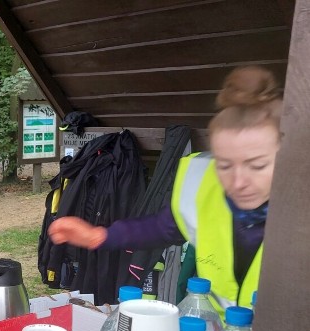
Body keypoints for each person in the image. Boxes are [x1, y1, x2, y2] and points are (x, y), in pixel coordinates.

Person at [49, 66, 280, 315]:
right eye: (224, 165)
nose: (238, 182)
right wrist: (101, 236)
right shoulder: (204, 183)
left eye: (257, 165)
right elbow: (162, 227)